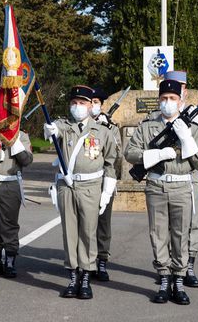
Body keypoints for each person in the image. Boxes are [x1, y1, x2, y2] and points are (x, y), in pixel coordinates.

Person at [124, 79, 198, 305]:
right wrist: (155, 155)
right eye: (164, 99)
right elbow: (130, 153)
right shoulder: (146, 126)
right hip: (156, 185)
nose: (168, 103)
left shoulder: (194, 129)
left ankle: (179, 280)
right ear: (159, 101)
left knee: (181, 235)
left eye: (173, 99)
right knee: (158, 233)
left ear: (181, 102)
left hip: (182, 186)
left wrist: (186, 139)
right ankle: (163, 278)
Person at [43, 85, 118, 300]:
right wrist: (49, 131)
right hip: (67, 186)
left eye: (82, 103)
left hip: (91, 188)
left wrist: (106, 193)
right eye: (74, 103)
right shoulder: (63, 126)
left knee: (88, 231)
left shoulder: (102, 131)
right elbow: (51, 130)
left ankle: (86, 275)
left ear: (90, 105)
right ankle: (73, 275)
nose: (77, 107)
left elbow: (111, 164)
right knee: (70, 232)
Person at [163, 70, 198, 288]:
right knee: (167, 225)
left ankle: (188, 267)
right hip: (166, 174)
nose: (175, 90)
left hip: (190, 176)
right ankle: (167, 268)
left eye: (180, 86)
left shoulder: (197, 114)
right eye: (170, 85)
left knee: (191, 224)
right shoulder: (160, 113)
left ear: (185, 90)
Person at [0, 130, 34, 278]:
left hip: (10, 182)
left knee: (9, 224)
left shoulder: (22, 135)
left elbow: (26, 160)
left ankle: (9, 260)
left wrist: (14, 141)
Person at [90, 87, 122, 281]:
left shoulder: (111, 127)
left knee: (103, 223)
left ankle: (101, 260)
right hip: (85, 181)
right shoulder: (80, 125)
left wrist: (107, 130)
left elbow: (117, 157)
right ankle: (86, 261)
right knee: (84, 223)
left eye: (96, 103)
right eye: (90, 102)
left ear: (101, 106)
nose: (93, 106)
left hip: (104, 180)